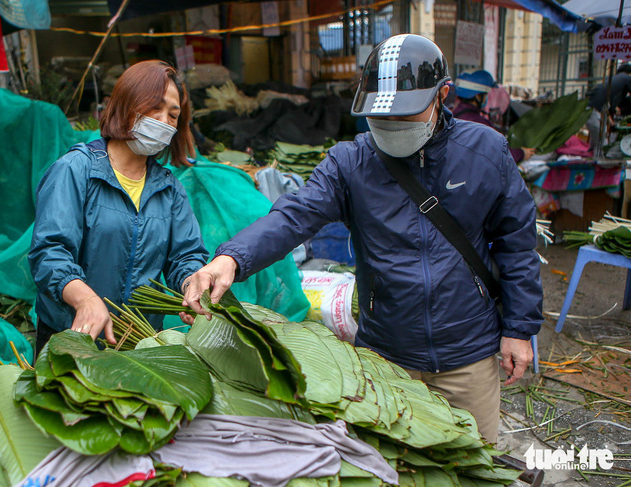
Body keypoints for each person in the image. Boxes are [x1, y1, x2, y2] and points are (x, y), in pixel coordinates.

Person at [182, 34, 543, 444]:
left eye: (404, 116)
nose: (390, 128)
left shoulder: (485, 151)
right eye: (379, 118)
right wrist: (230, 259)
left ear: (442, 94)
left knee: (475, 460)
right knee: (392, 466)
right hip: (384, 357)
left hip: (468, 356)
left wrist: (518, 327)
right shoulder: (351, 162)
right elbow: (294, 216)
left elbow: (516, 244)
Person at [29, 60, 208, 356]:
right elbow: (49, 253)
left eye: (173, 115)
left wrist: (191, 285)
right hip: (72, 338)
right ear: (127, 104)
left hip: (138, 343)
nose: (164, 121)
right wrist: (85, 300)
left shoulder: (169, 188)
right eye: (155, 108)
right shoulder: (76, 170)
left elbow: (185, 256)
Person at [452, 70, 534, 163]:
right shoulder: (478, 124)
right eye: (486, 95)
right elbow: (499, 153)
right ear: (478, 96)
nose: (487, 98)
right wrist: (522, 153)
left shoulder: (454, 116)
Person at [586, 63, 631, 150]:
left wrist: (612, 123)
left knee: (595, 143)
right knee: (602, 145)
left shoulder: (612, 82)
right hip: (593, 112)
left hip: (590, 110)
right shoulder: (627, 78)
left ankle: (592, 157)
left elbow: (607, 107)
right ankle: (599, 162)